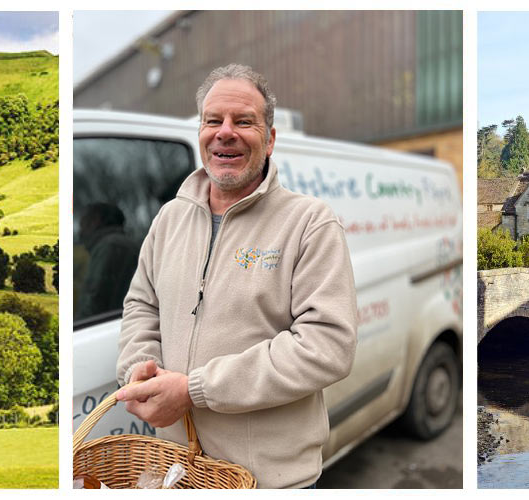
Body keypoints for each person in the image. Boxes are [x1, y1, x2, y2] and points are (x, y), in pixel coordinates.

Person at [115, 64, 357, 489]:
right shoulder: (169, 218)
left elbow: (328, 345)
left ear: (270, 139)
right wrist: (139, 366)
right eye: (213, 120)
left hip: (268, 480)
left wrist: (194, 389)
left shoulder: (309, 222)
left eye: (244, 121)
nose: (225, 132)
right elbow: (142, 303)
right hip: (176, 471)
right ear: (201, 133)